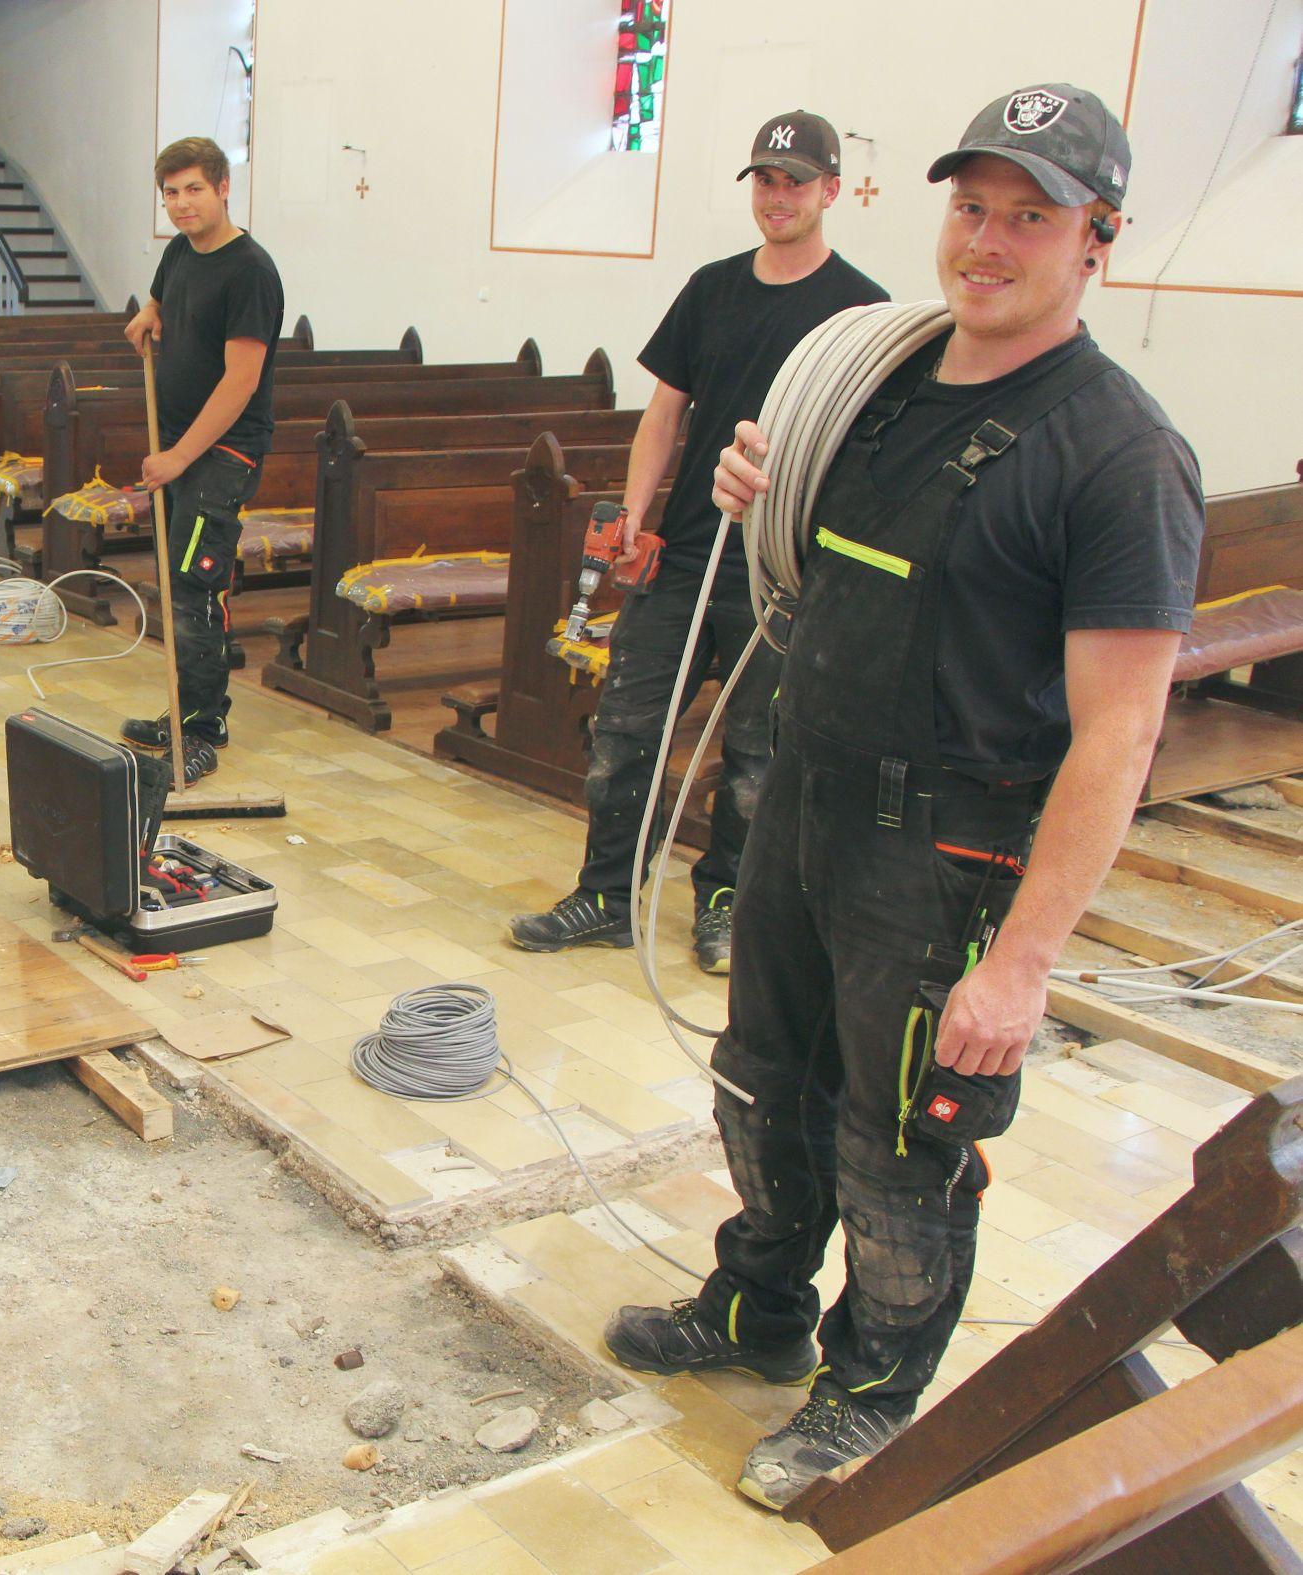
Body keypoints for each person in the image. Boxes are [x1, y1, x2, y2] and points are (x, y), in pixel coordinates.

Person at [603, 84, 1204, 1510]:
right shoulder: (874, 380)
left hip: (943, 852)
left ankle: (871, 1393)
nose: (986, 243)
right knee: (762, 1084)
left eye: (1029, 216)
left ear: (1095, 238)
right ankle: (757, 1304)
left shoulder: (1118, 456)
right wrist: (759, 480)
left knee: (900, 1143)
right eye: (971, 206)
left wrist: (1022, 963)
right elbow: (808, 549)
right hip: (803, 798)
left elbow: (1115, 740)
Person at [508, 111, 887, 974]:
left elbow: (866, 448)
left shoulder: (860, 309)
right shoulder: (713, 289)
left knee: (756, 756)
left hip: (782, 570)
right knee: (626, 733)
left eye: (795, 181)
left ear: (831, 190)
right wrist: (635, 515)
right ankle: (607, 896)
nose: (778, 196)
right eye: (765, 179)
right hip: (683, 555)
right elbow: (665, 414)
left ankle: (723, 904)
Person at [118, 136, 285, 786]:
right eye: (170, 192)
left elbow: (242, 381)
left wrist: (179, 456)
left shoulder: (251, 271)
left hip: (223, 451)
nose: (181, 204)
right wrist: (149, 315)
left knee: (196, 583)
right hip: (183, 445)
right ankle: (186, 708)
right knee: (178, 578)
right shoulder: (180, 251)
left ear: (222, 188)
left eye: (192, 189)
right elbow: (164, 298)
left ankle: (203, 729)